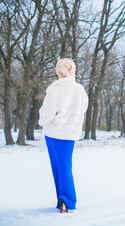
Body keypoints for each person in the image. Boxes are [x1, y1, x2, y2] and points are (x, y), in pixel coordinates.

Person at [38, 58, 88, 213]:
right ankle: (63, 200)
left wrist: (43, 118)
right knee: (65, 165)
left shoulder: (55, 89)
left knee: (58, 168)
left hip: (54, 133)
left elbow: (46, 114)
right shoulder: (80, 89)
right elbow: (83, 107)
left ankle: (67, 200)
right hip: (70, 134)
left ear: (59, 72)